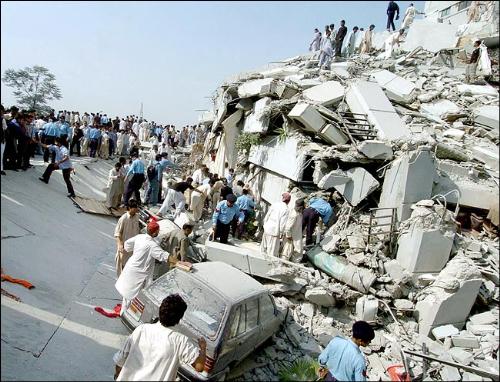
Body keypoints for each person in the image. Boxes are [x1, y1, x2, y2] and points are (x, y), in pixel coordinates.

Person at [113, 294, 207, 381]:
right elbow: (199, 367)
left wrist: (118, 376)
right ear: (179, 319)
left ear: (160, 311)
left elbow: (121, 359)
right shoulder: (181, 341)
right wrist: (203, 349)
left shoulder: (142, 329)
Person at [115, 218, 170, 315]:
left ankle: (125, 312)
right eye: (158, 231)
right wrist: (178, 262)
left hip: (131, 267)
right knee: (133, 295)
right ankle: (126, 314)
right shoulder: (152, 245)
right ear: (154, 233)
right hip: (139, 273)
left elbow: (127, 245)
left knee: (128, 294)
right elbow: (164, 256)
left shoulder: (140, 237)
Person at [114, 199, 141, 277]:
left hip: (134, 247)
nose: (137, 209)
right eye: (135, 207)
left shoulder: (137, 217)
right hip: (125, 247)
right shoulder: (123, 218)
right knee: (122, 264)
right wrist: (120, 245)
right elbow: (117, 233)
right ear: (130, 208)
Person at [261, 193, 291, 257]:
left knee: (264, 247)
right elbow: (282, 224)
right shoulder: (286, 209)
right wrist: (281, 233)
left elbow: (267, 215)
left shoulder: (275, 204)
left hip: (267, 227)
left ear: (282, 199)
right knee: (272, 251)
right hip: (274, 231)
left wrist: (265, 225)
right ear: (289, 201)